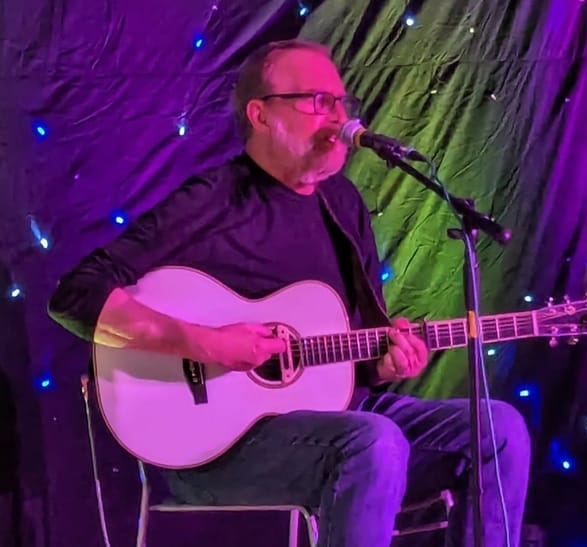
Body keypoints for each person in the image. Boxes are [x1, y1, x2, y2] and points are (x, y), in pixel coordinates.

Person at [48, 39, 530, 547]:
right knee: (372, 440)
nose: (339, 117)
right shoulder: (213, 199)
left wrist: (386, 364)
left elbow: (357, 360)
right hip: (221, 451)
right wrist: (207, 344)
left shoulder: (342, 204)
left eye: (341, 102)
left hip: (342, 424)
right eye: (318, 101)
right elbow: (76, 296)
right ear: (261, 115)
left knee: (498, 429)